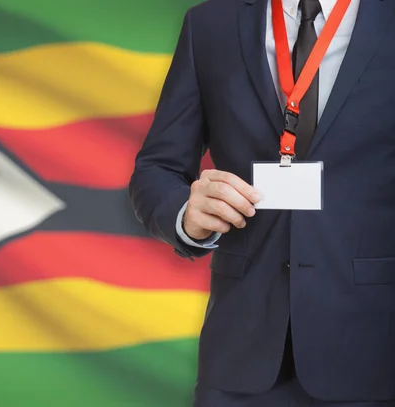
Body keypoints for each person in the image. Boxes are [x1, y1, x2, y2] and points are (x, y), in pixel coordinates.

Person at [129, 0, 395, 405]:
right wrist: (185, 214)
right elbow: (157, 167)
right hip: (240, 354)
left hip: (375, 352)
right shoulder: (210, 24)